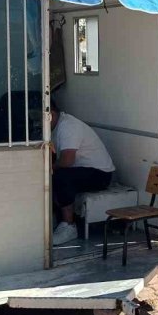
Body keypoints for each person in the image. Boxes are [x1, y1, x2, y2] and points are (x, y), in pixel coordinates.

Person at [50, 100, 116, 245]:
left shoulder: (68, 127)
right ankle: (57, 219)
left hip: (100, 174)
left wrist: (50, 168)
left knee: (60, 177)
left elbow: (67, 160)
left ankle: (69, 226)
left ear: (51, 114)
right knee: (51, 177)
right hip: (82, 170)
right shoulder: (55, 126)